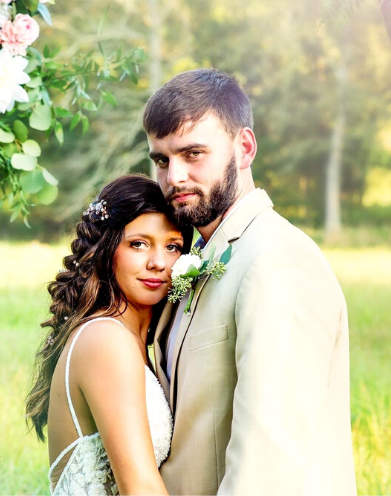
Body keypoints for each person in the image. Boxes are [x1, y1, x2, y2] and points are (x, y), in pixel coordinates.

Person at [143, 69, 352, 494]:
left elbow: (268, 466)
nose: (174, 177)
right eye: (162, 160)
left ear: (244, 148)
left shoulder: (277, 260)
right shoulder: (200, 255)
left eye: (193, 153)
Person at [23, 175, 182, 494]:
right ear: (107, 249)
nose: (158, 263)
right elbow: (140, 488)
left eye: (173, 246)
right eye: (139, 244)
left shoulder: (134, 340)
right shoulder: (106, 340)